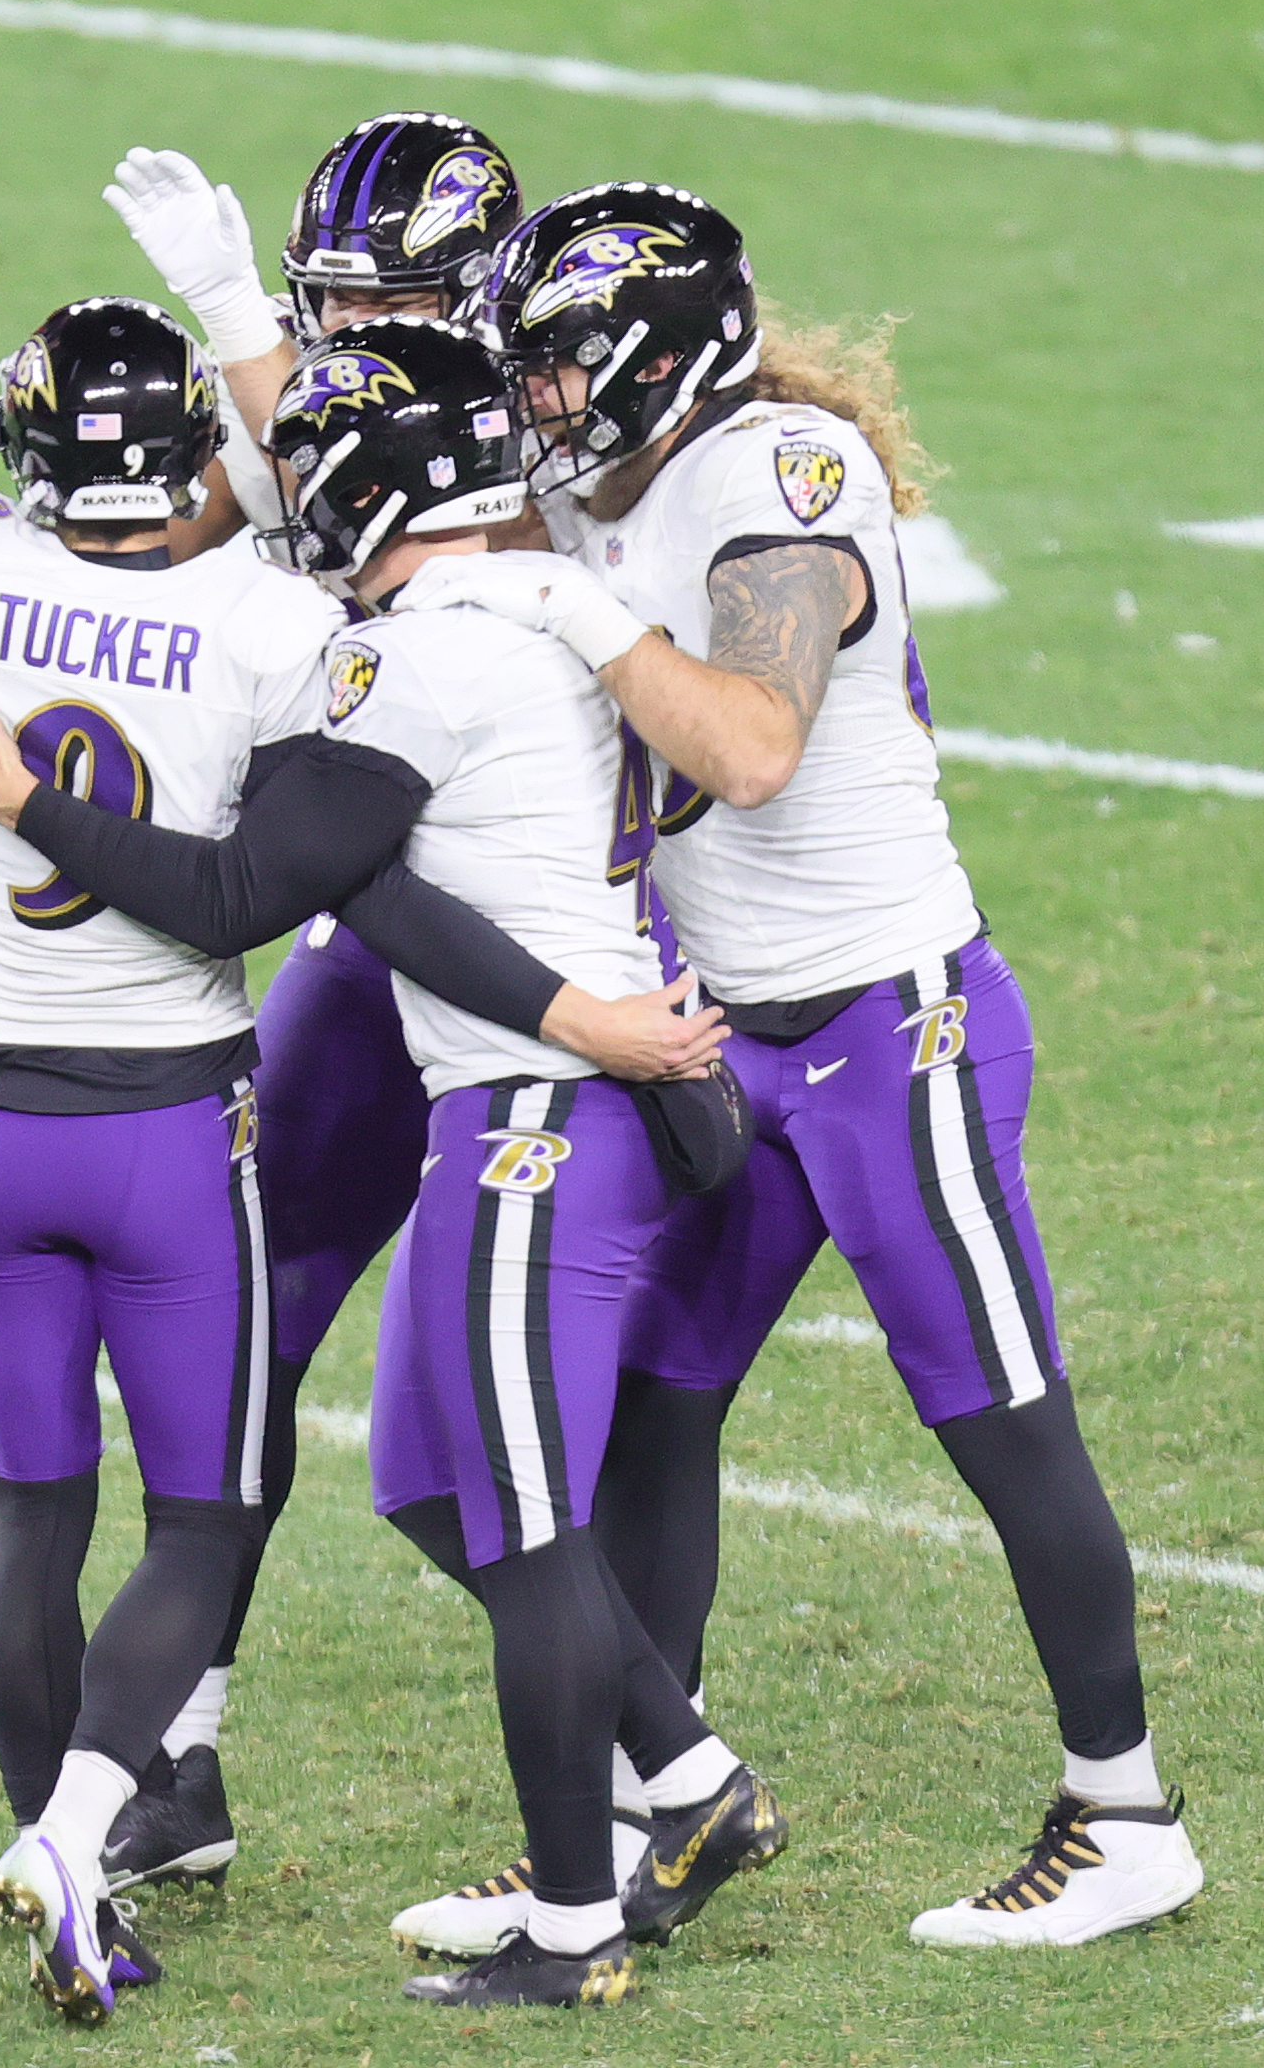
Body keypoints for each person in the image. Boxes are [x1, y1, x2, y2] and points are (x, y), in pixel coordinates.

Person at [0, 25, 706, 2023]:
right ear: (200, 459)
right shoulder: (275, 631)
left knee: (36, 1520)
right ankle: (121, 1815)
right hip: (183, 1121)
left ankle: (84, 1837)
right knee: (206, 1509)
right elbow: (287, 865)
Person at [0, 316, 784, 2008]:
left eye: (317, 459)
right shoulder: (504, 613)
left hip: (541, 1121)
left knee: (524, 1534)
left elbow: (250, 896)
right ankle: (689, 1781)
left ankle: (576, 1927)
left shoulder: (426, 655)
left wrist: (24, 799)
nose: (289, 488)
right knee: (432, 1483)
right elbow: (374, 889)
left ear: (385, 475)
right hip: (522, 1100)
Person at [394, 179, 1205, 1950]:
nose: (530, 403)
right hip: (729, 1034)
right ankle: (638, 1821)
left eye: (549, 368)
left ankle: (1123, 1809)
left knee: (998, 1416)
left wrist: (579, 615)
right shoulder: (593, 485)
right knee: (657, 1414)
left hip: (885, 1018)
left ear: (656, 356)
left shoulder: (776, 477)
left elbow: (751, 747)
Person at [93, 111, 529, 1890]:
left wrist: (222, 308)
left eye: (390, 298)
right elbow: (226, 512)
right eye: (322, 298)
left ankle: (653, 1772)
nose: (347, 330)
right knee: (243, 1313)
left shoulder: (557, 436)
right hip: (375, 931)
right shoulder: (349, 415)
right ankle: (177, 1749)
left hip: (556, 973)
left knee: (573, 1408)